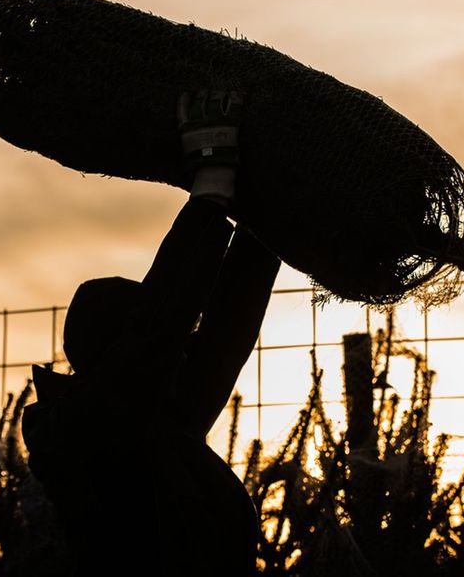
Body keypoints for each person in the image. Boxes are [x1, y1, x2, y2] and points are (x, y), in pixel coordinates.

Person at [21, 91, 281, 577]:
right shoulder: (82, 429)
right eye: (175, 345)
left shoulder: (157, 424)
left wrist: (267, 228)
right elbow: (158, 330)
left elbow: (223, 340)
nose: (184, 349)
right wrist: (211, 192)